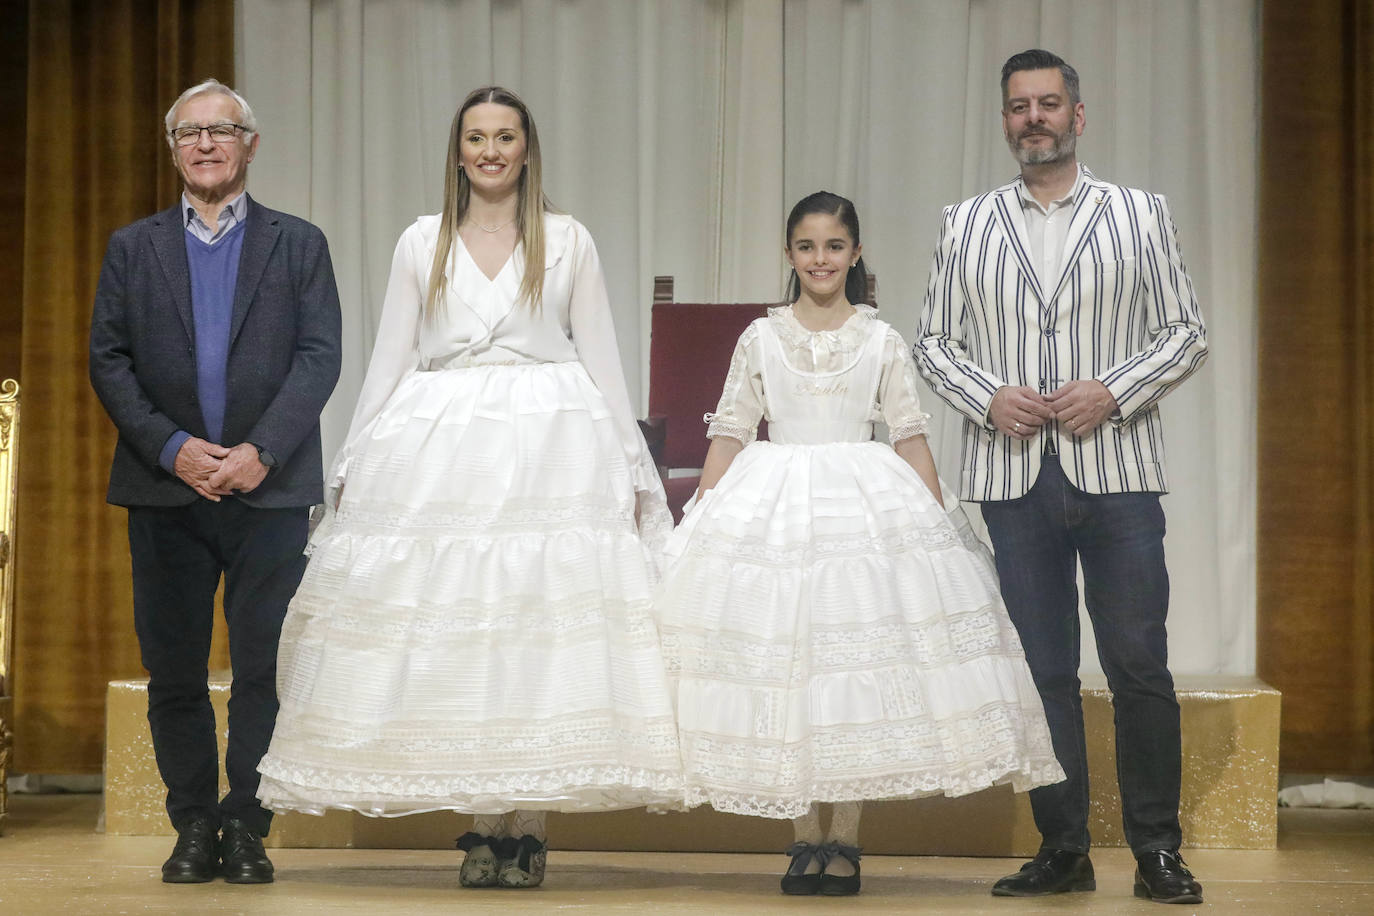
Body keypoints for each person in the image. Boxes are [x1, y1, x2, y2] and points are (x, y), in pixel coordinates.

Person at [254, 86, 682, 889]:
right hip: (442, 446)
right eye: (477, 137)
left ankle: (529, 823)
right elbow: (389, 355)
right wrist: (351, 461)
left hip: (551, 441)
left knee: (534, 625)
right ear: (457, 151)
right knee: (463, 628)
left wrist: (632, 467)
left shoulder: (567, 239)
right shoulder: (423, 241)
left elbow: (602, 357)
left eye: (506, 137)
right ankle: (484, 820)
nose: (491, 151)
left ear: (528, 148)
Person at [653, 191, 1063, 897]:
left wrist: (938, 521)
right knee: (788, 662)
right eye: (807, 247)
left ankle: (844, 836)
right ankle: (802, 839)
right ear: (789, 255)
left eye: (834, 247)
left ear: (856, 253)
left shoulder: (881, 339)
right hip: (774, 502)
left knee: (853, 666)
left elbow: (907, 434)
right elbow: (730, 430)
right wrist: (701, 513)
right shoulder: (760, 337)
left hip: (860, 506)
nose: (821, 259)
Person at [914, 49, 1209, 905]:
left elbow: (1184, 331)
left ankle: (1157, 849)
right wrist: (987, 396)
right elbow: (935, 342)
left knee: (1137, 664)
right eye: (1018, 107)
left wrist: (1112, 390)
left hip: (1117, 475)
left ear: (1078, 116)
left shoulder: (1139, 215)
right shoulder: (965, 222)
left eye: (1048, 104)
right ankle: (1064, 848)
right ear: (1005, 121)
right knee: (1040, 669)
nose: (1033, 118)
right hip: (1013, 477)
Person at [88, 79, 343, 885]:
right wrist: (172, 449)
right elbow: (110, 359)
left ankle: (247, 829)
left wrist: (259, 449)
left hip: (267, 489)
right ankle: (192, 825)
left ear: (250, 145)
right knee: (174, 670)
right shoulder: (133, 247)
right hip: (167, 491)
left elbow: (318, 356)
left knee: (264, 668)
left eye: (221, 130)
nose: (205, 144)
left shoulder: (299, 244)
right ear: (172, 148)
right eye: (189, 132)